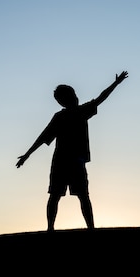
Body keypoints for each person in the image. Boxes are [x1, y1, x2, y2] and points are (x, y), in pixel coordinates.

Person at [16, 71, 128, 232]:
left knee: (61, 195)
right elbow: (101, 98)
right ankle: (77, 228)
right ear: (65, 100)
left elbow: (42, 138)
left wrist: (27, 155)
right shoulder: (73, 113)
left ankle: (56, 228)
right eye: (72, 94)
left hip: (67, 161)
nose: (76, 96)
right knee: (71, 195)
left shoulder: (68, 115)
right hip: (70, 161)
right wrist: (116, 84)